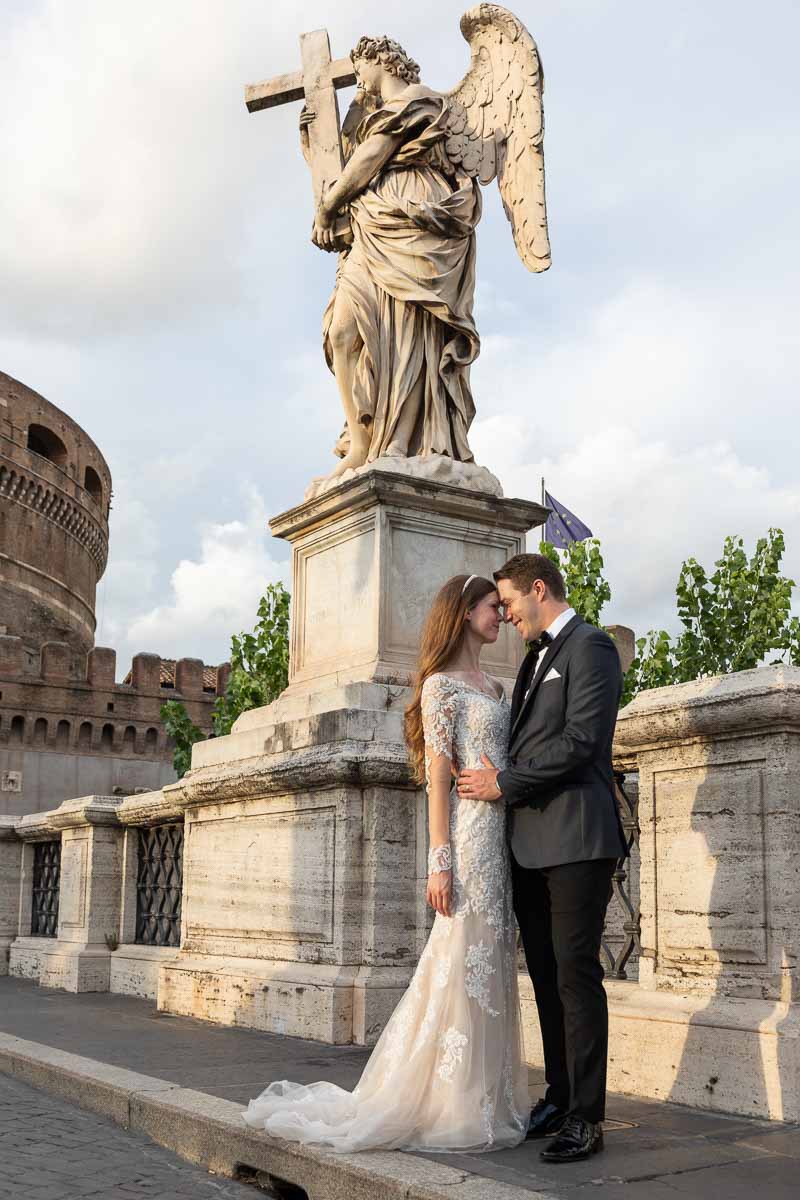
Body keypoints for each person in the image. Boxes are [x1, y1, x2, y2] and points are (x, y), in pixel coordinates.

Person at [242, 574, 529, 1151]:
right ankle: (448, 1102)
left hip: (503, 839)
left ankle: (486, 1097)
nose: (500, 617)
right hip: (470, 842)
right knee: (458, 959)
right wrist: (440, 860)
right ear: (464, 612)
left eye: (503, 608)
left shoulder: (497, 689)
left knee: (492, 961)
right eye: (492, 607)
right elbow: (439, 778)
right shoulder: (442, 688)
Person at [457, 553, 626, 1164]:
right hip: (527, 844)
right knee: (549, 980)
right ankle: (558, 1096)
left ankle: (587, 1117)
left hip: (578, 838)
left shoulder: (592, 647)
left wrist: (505, 783)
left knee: (577, 978)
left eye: (509, 603)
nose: (505, 615)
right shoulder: (530, 660)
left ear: (537, 589)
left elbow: (584, 742)